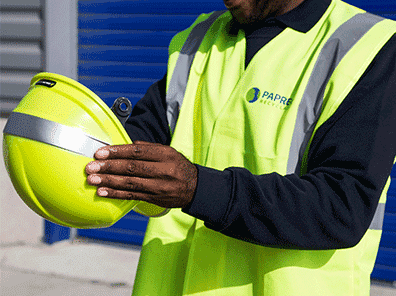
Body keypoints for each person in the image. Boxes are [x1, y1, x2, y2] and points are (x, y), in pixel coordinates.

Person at [85, 0, 396, 294]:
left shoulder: (367, 47)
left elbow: (341, 206)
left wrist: (197, 188)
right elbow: (137, 141)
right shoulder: (198, 39)